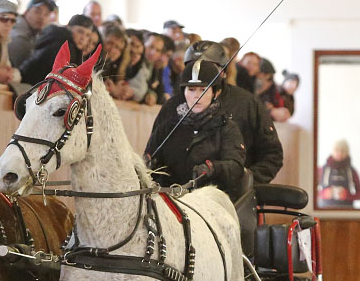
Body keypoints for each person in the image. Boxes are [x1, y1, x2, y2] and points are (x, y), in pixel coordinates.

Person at [148, 41, 284, 185]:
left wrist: (246, 182)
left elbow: (272, 154)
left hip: (227, 196)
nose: (200, 72)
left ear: (223, 71)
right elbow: (153, 156)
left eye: (208, 67)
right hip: (174, 194)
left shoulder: (247, 103)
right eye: (193, 67)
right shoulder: (172, 107)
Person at [145, 60, 246, 201]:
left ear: (215, 93)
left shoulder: (227, 128)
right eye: (191, 90)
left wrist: (213, 168)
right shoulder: (168, 127)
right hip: (168, 200)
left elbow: (236, 168)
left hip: (209, 202)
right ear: (184, 92)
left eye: (203, 90)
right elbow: (149, 158)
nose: (196, 96)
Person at [18, 13, 96, 86]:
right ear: (68, 28)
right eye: (80, 32)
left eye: (87, 35)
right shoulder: (63, 45)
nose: (83, 38)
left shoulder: (63, 41)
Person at [7, 0, 52, 68]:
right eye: (37, 12)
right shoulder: (19, 37)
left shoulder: (35, 33)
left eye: (46, 14)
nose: (41, 17)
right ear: (26, 12)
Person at [316, 139, 360, 208]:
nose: (339, 153)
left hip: (346, 211)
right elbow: (311, 192)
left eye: (343, 151)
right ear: (332, 151)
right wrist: (324, 193)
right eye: (337, 150)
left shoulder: (352, 171)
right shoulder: (322, 169)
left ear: (347, 153)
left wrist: (347, 195)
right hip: (324, 210)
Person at [100, 24, 131, 101]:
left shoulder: (118, 65)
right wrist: (112, 90)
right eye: (110, 43)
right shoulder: (93, 59)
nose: (113, 50)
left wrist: (126, 91)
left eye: (118, 48)